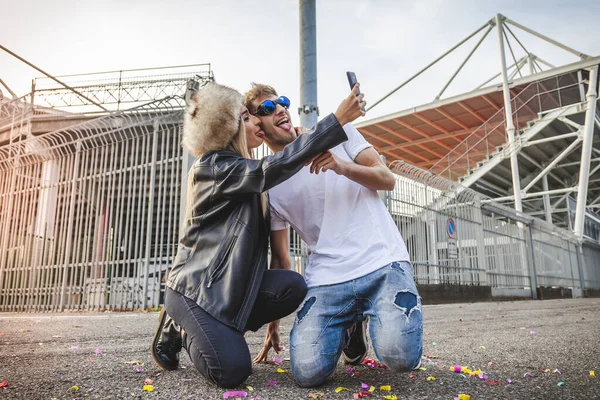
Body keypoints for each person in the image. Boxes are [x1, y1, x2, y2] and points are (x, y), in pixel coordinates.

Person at [150, 82, 366, 388]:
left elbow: (278, 248)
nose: (255, 122)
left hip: (230, 288)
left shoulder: (247, 172)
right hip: (197, 289)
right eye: (247, 117)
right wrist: (336, 120)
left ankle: (217, 331)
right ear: (230, 128)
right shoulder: (214, 168)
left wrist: (272, 327)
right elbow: (269, 169)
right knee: (232, 372)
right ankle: (185, 329)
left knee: (291, 286)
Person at [244, 83, 423, 387]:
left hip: (381, 260)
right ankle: (351, 327)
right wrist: (272, 326)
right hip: (329, 277)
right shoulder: (270, 186)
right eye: (268, 108)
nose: (281, 108)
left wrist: (341, 166)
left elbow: (386, 179)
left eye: (282, 102)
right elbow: (281, 257)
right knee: (307, 371)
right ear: (257, 127)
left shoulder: (341, 133)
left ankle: (368, 317)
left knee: (400, 355)